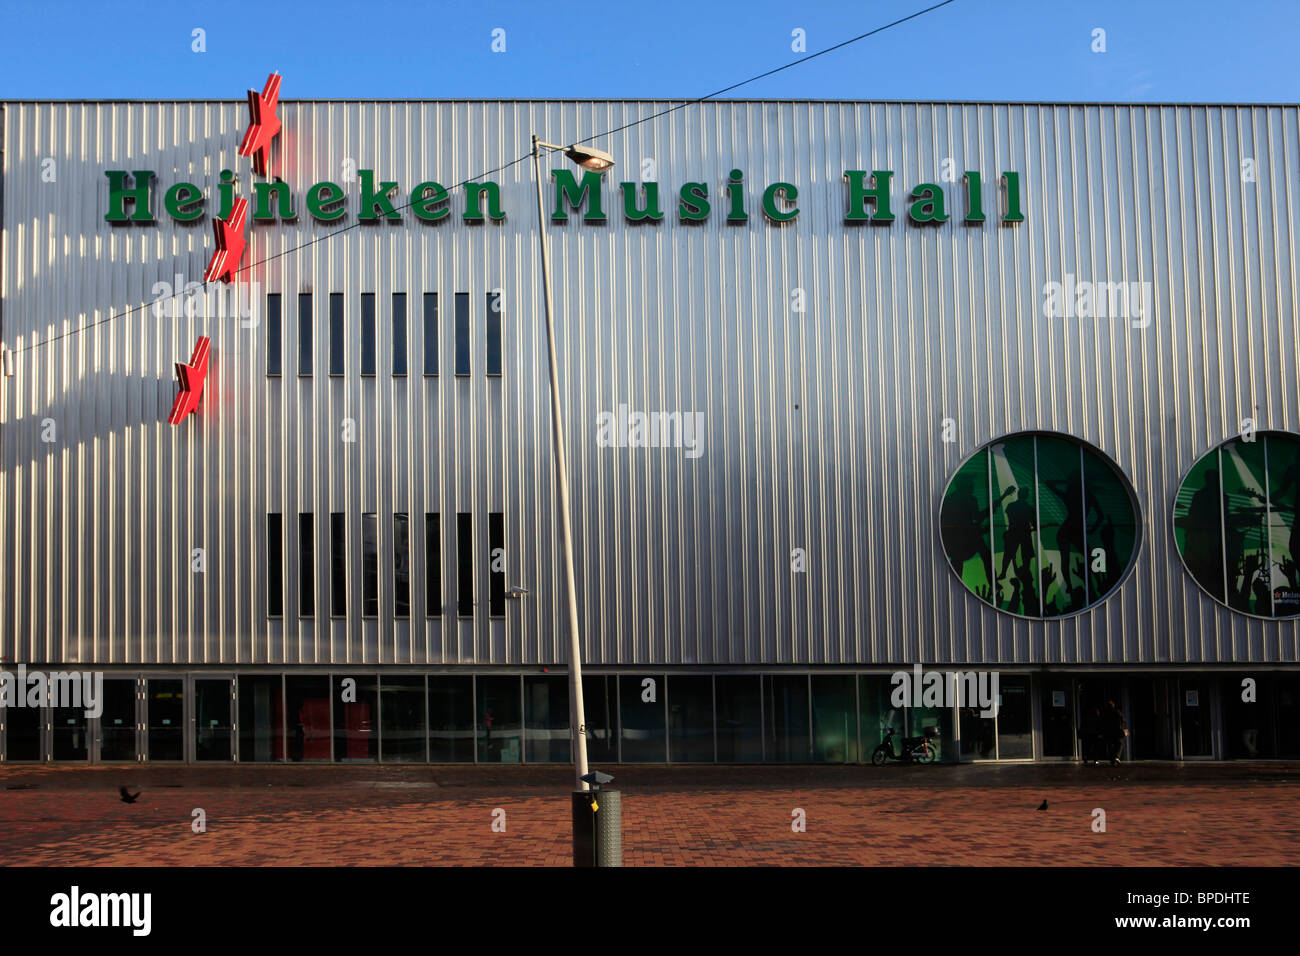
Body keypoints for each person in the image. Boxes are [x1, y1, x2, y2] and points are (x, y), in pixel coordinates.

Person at [1101, 699, 1127, 764]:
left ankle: (1112, 758)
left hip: (1108, 732)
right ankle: (1116, 757)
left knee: (1110, 745)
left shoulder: (1105, 714)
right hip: (1117, 731)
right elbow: (1123, 720)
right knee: (1119, 744)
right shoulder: (1117, 712)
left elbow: (1102, 723)